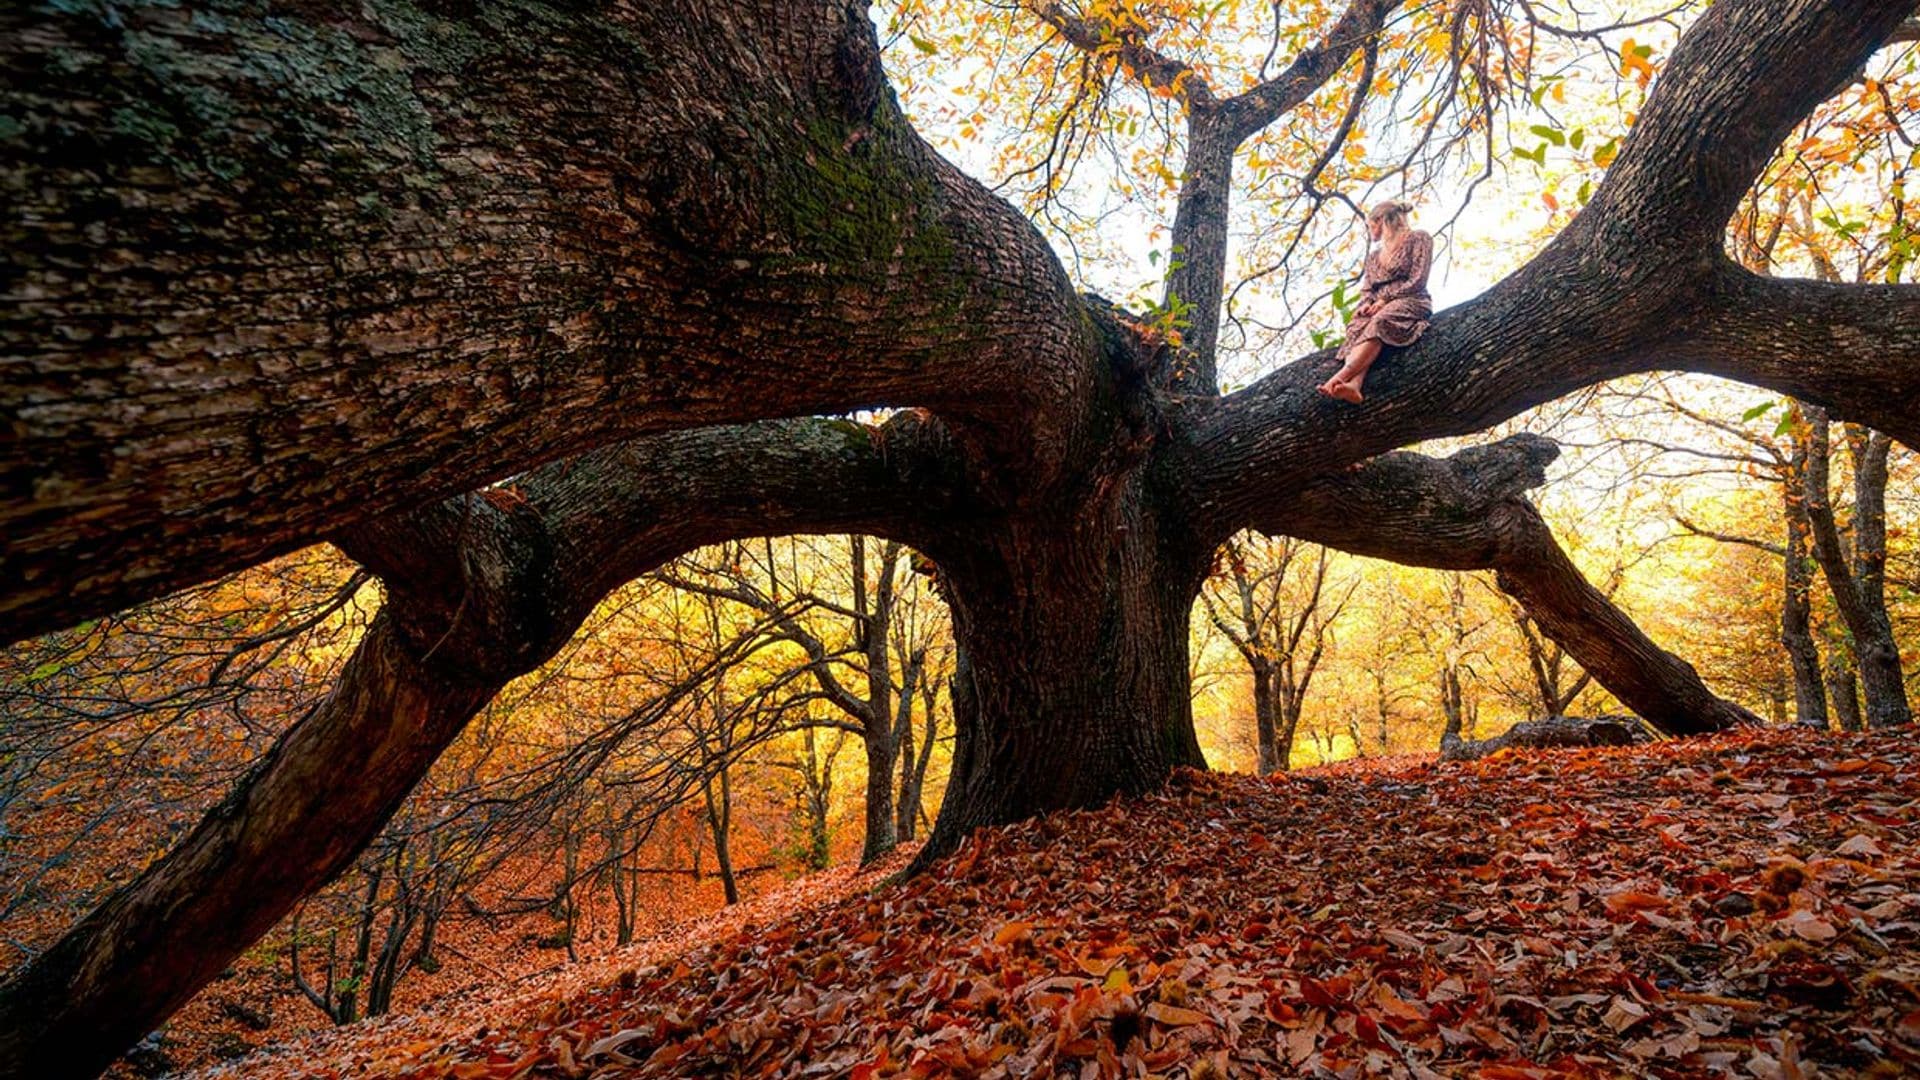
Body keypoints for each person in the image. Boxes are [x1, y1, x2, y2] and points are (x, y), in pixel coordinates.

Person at [1318, 201, 1432, 403]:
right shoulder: (1373, 257)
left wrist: (1385, 300)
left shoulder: (1419, 238)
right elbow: (1368, 287)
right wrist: (1365, 304)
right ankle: (1354, 385)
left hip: (1410, 299)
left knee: (1380, 321)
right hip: (1377, 305)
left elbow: (1418, 278)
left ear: (1380, 221)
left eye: (1370, 225)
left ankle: (1338, 379)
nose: (1370, 232)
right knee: (1357, 327)